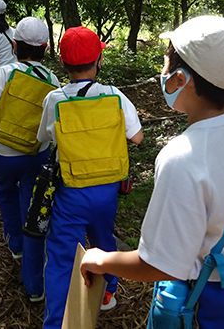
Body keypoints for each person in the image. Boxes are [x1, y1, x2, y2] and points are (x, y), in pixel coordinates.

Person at [80, 15, 224, 329]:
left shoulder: (181, 157)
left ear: (181, 79)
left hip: (220, 302)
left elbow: (159, 264)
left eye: (166, 62)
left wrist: (100, 259)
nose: (163, 71)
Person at [37, 26, 143, 329]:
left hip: (71, 189)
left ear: (63, 64)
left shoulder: (54, 99)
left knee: (61, 257)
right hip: (107, 190)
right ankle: (107, 292)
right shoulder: (115, 96)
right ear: (98, 60)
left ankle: (56, 322)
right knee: (102, 238)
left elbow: (43, 137)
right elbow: (137, 137)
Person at [0, 17, 60, 303]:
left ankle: (16, 244)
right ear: (45, 48)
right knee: (32, 206)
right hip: (37, 153)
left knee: (5, 193)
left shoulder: (7, 72)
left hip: (4, 152)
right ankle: (35, 280)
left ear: (14, 44)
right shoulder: (52, 80)